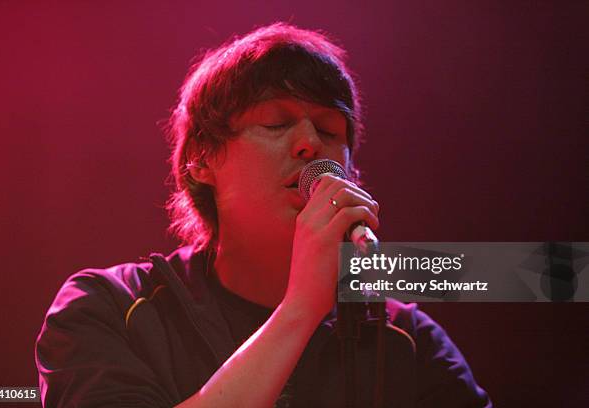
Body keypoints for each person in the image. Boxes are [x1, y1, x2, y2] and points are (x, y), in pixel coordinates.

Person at [35, 22, 492, 407]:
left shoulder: (406, 339)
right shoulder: (110, 308)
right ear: (203, 159)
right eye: (276, 124)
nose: (310, 144)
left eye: (330, 130)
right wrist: (299, 310)